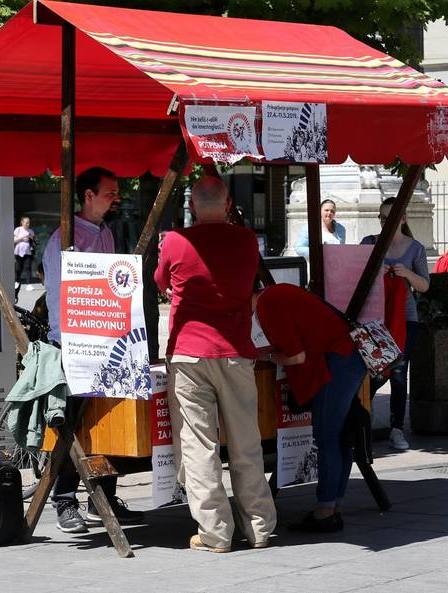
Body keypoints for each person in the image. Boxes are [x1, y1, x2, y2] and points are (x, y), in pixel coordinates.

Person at [155, 176, 276, 553]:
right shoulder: (245, 240)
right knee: (246, 444)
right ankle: (259, 527)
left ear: (192, 206)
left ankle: (215, 532)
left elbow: (161, 281)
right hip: (236, 353)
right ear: (227, 206)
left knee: (198, 445)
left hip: (189, 354)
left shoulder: (176, 241)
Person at [42, 166, 143, 533]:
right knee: (73, 424)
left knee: (107, 421)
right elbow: (64, 295)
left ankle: (103, 496)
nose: (116, 197)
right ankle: (64, 499)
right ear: (87, 195)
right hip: (73, 343)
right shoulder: (63, 238)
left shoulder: (105, 232)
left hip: (106, 341)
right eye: (109, 192)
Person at [253, 283, 365, 532]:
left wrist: (264, 356)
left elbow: (296, 357)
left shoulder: (267, 304)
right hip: (347, 357)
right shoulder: (277, 292)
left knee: (327, 436)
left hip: (336, 363)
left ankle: (325, 510)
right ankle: (333, 505)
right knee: (340, 436)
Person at [362, 198, 429, 451]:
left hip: (404, 318)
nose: (383, 222)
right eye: (381, 217)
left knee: (399, 373)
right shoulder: (370, 244)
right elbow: (354, 272)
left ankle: (397, 428)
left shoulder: (415, 249)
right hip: (373, 318)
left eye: (389, 217)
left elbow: (425, 285)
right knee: (373, 370)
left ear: (402, 219)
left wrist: (407, 274)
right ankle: (360, 417)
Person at [13, 216, 35, 300]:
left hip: (28, 252)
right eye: (26, 222)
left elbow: (34, 242)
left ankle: (29, 284)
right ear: (22, 222)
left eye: (28, 222)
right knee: (18, 268)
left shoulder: (31, 231)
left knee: (28, 267)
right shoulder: (18, 230)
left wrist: (31, 238)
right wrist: (23, 238)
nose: (27, 224)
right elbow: (14, 240)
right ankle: (17, 282)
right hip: (18, 252)